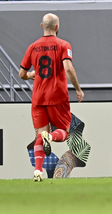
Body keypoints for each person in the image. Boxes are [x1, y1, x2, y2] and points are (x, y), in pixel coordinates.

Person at [19, 13, 84, 181]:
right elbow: (68, 68)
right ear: (57, 27)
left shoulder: (32, 47)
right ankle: (51, 137)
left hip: (38, 97)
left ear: (42, 26)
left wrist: (33, 74)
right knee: (64, 132)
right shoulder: (63, 45)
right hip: (57, 96)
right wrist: (78, 89)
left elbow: (21, 74)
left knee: (40, 134)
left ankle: (38, 172)